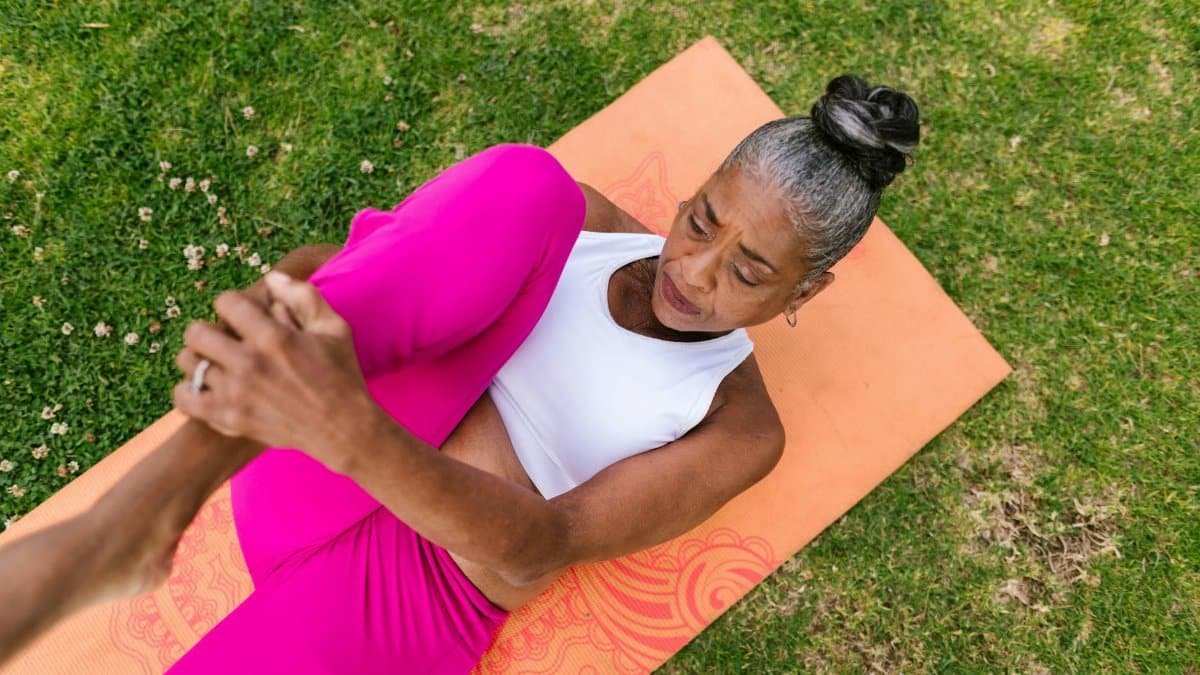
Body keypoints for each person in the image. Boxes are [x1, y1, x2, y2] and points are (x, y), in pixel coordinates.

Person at [0, 74, 919, 672]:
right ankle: (133, 521)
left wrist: (350, 428)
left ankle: (141, 519)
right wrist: (286, 307)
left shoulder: (738, 424)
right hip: (308, 453)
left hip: (416, 584)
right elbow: (345, 268)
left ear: (812, 286)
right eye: (703, 219)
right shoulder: (579, 222)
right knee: (529, 184)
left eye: (751, 270)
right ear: (694, 189)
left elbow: (541, 546)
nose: (695, 271)